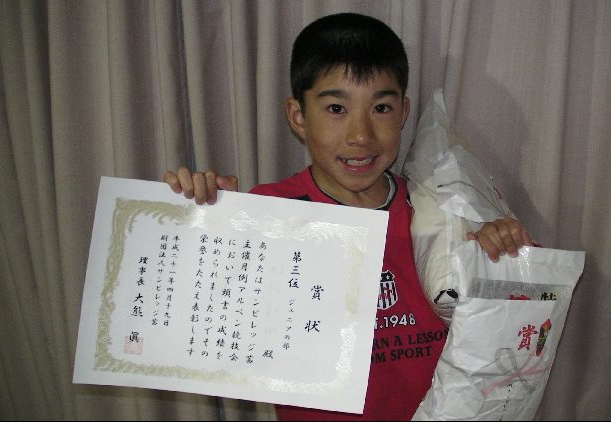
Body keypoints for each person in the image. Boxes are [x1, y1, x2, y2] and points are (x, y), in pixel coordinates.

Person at [164, 12, 533, 421]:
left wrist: (501, 248)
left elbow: (508, 326)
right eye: (337, 107)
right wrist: (206, 223)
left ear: (403, 113)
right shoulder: (270, 212)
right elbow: (201, 325)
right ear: (298, 116)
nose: (360, 135)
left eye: (381, 107)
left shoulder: (440, 211)